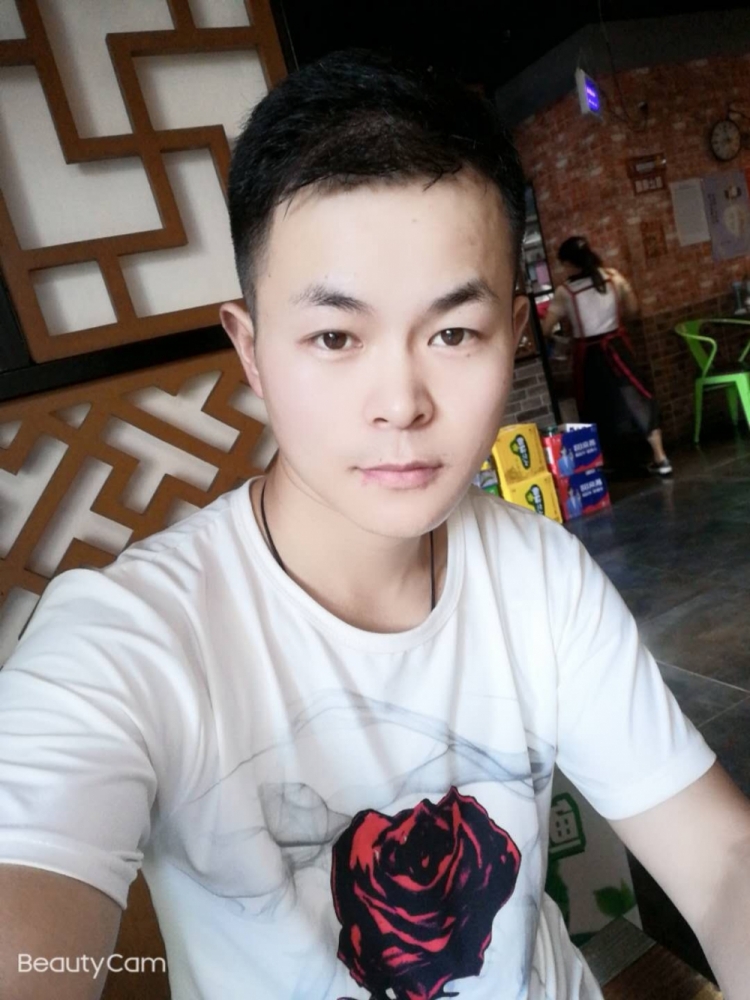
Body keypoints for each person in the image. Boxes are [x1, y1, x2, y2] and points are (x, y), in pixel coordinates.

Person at [1, 50, 749, 1000]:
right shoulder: (127, 641)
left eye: (453, 333)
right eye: (334, 337)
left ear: (515, 333)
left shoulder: (540, 573)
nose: (401, 402)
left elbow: (723, 861)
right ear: (251, 350)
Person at [541, 236, 672, 475]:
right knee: (638, 397)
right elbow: (633, 309)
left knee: (595, 408)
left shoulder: (565, 292)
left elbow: (546, 329)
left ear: (569, 264)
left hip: (589, 357)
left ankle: (602, 464)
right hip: (617, 348)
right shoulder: (613, 277)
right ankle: (660, 457)